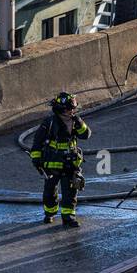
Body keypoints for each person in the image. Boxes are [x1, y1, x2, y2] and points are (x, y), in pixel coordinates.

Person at [29, 91, 91, 227]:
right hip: (52, 164)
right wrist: (36, 160)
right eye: (70, 108)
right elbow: (37, 142)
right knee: (50, 192)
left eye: (73, 108)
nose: (72, 111)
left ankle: (68, 217)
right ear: (62, 109)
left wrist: (79, 122)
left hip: (70, 164)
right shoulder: (49, 123)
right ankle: (50, 213)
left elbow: (86, 135)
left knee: (70, 192)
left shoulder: (75, 121)